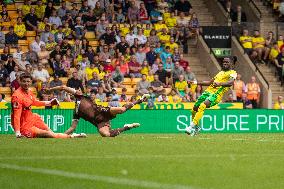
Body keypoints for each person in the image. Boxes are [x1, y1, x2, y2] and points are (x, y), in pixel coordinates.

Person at [47, 85, 150, 137]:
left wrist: (50, 90)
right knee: (106, 135)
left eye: (70, 92)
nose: (69, 94)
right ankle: (127, 127)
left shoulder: (80, 95)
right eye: (68, 94)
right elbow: (72, 128)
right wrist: (59, 136)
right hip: (98, 122)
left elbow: (63, 87)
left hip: (102, 112)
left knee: (122, 109)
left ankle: (139, 100)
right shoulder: (76, 111)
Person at [11, 73, 85, 138]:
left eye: (28, 81)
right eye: (24, 81)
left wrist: (49, 102)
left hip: (32, 118)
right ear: (19, 81)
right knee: (47, 134)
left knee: (50, 132)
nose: (26, 83)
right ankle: (72, 136)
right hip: (24, 126)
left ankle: (63, 136)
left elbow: (35, 102)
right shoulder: (17, 96)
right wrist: (17, 133)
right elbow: (16, 116)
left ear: (31, 82)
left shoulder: (29, 92)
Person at [185, 57, 237, 136]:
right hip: (208, 92)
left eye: (227, 62)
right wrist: (194, 82)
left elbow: (231, 82)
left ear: (231, 63)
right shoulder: (220, 73)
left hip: (216, 94)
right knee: (194, 109)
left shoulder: (233, 72)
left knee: (203, 105)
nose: (225, 63)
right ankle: (196, 127)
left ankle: (190, 126)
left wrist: (219, 84)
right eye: (224, 62)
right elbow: (209, 82)